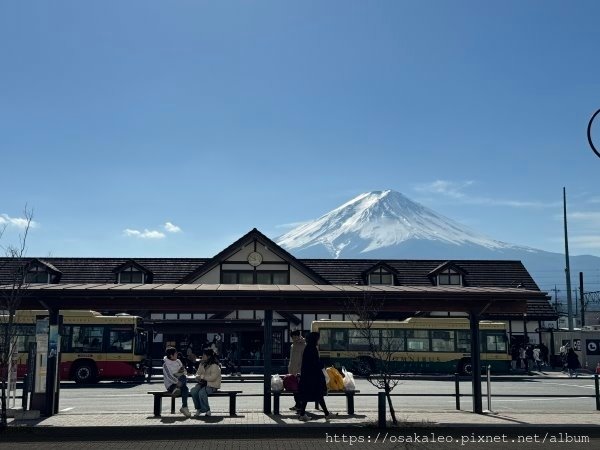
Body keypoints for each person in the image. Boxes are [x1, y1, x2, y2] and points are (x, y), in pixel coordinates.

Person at [297, 331, 334, 422]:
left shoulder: (308, 348)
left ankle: (303, 415)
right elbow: (315, 363)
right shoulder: (312, 349)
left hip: (307, 376)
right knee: (319, 394)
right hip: (312, 377)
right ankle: (326, 414)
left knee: (310, 395)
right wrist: (322, 364)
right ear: (315, 339)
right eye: (318, 339)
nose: (318, 340)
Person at [191, 348, 222, 417]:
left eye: (204, 355)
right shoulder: (202, 364)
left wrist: (202, 377)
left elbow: (213, 378)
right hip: (203, 384)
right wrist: (197, 377)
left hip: (212, 385)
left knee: (202, 392)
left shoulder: (215, 365)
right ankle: (198, 409)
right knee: (193, 391)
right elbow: (197, 373)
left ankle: (207, 410)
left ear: (209, 356)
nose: (202, 356)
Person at [162, 346, 191, 418]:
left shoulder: (178, 361)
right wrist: (176, 381)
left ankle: (184, 407)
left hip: (180, 383)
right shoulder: (165, 365)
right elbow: (168, 376)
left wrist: (182, 371)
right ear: (171, 355)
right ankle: (184, 407)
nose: (177, 355)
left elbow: (184, 371)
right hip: (171, 385)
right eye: (175, 354)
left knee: (184, 382)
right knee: (185, 389)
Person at [287, 330, 306, 411]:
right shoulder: (292, 345)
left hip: (300, 370)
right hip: (292, 370)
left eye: (295, 336)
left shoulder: (303, 345)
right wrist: (289, 367)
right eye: (293, 337)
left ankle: (300, 406)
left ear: (298, 336)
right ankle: (297, 404)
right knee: (294, 389)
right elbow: (291, 359)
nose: (294, 338)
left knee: (299, 389)